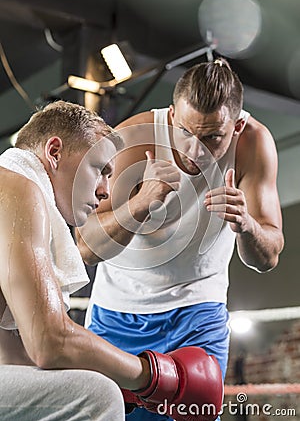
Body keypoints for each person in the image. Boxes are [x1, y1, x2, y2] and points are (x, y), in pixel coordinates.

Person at [76, 58, 284, 421]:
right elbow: (85, 249)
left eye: (211, 138)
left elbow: (266, 258)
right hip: (117, 314)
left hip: (198, 313)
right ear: (172, 116)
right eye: (186, 133)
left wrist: (246, 225)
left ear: (236, 126)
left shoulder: (254, 143)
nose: (195, 151)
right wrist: (139, 204)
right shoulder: (130, 139)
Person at [0, 100, 223, 421]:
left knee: (92, 383)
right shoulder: (18, 186)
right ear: (54, 152)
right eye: (100, 170)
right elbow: (50, 342)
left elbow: (16, 357)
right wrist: (155, 377)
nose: (106, 191)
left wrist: (122, 378)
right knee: (96, 395)